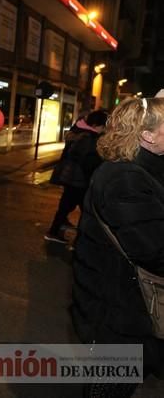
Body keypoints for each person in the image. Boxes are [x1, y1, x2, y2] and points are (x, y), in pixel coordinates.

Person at [72, 98, 164, 398]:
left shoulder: (143, 168)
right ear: (147, 135)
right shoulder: (125, 179)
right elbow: (155, 250)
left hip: (127, 310)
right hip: (118, 316)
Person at [45, 109, 108, 244]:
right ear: (97, 125)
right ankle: (77, 240)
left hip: (72, 177)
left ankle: (55, 231)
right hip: (79, 180)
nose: (103, 130)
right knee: (85, 210)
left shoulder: (79, 132)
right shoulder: (88, 138)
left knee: (66, 206)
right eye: (103, 127)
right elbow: (88, 161)